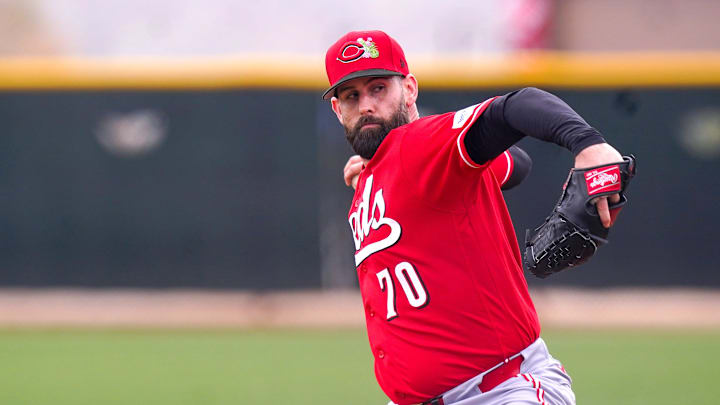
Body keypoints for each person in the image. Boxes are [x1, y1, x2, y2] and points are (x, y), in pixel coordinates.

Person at [323, 30, 623, 405]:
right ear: (338, 110)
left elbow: (517, 106)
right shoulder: (385, 173)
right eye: (352, 95)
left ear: (409, 90)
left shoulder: (421, 144)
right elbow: (518, 165)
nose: (366, 104)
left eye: (379, 88)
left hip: (500, 392)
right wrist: (385, 173)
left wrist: (588, 143)